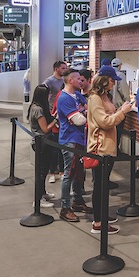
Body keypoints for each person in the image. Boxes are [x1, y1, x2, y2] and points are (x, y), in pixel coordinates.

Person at [87, 71, 135, 234]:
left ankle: (102, 216)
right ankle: (98, 222)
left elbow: (108, 116)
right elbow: (105, 122)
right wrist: (123, 112)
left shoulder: (104, 97)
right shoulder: (95, 98)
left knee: (103, 184)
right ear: (104, 81)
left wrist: (121, 109)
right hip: (101, 148)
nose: (114, 83)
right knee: (100, 185)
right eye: (112, 80)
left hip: (108, 147)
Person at [56, 69, 89, 222]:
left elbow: (88, 110)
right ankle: (65, 207)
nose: (81, 81)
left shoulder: (78, 95)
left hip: (79, 139)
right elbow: (79, 120)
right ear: (70, 80)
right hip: (70, 140)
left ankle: (78, 201)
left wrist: (85, 114)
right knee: (69, 173)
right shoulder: (64, 98)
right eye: (78, 79)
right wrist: (85, 115)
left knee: (79, 172)